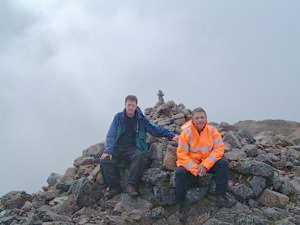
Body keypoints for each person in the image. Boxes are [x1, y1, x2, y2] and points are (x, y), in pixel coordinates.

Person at [100, 95, 178, 198]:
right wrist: (108, 150)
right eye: (129, 105)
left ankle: (131, 185)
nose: (131, 107)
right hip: (118, 148)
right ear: (125, 105)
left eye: (133, 105)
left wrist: (172, 135)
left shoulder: (141, 119)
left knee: (141, 155)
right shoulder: (118, 117)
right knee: (104, 160)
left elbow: (154, 129)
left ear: (136, 106)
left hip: (132, 148)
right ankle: (114, 187)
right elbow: (111, 134)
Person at [175, 107, 234, 208]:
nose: (200, 120)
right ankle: (180, 202)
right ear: (192, 120)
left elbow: (219, 149)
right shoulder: (186, 133)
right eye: (197, 118)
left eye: (202, 117)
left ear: (206, 119)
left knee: (223, 163)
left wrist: (205, 165)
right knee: (179, 173)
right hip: (191, 166)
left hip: (207, 164)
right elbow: (182, 154)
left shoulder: (212, 131)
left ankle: (220, 196)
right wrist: (195, 169)